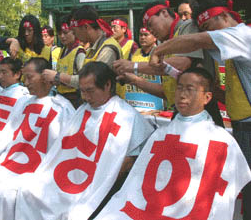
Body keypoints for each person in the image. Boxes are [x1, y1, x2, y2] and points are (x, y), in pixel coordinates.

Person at [0, 61, 155, 220]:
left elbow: (127, 163)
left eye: (90, 91)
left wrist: (100, 180)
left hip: (95, 185)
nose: (85, 97)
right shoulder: (83, 111)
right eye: (82, 91)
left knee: (73, 212)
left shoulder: (127, 117)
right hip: (68, 176)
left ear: (107, 85)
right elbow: (63, 148)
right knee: (29, 192)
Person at [95, 67, 251, 220]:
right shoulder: (160, 135)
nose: (182, 95)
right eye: (179, 88)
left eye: (190, 89)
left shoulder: (222, 140)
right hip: (154, 207)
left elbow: (231, 184)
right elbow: (138, 180)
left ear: (207, 97)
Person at [149, 0, 251, 219]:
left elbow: (197, 41)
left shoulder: (243, 35)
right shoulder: (235, 51)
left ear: (225, 17)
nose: (208, 36)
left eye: (208, 27)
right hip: (241, 127)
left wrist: (160, 50)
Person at [0, 57, 75, 220]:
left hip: (38, 166)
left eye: (30, 77)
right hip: (13, 159)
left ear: (45, 78)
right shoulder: (25, 102)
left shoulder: (63, 108)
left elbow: (64, 149)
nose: (26, 82)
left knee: (6, 193)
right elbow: (10, 133)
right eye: (25, 77)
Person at [45, 5, 126, 98]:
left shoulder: (107, 49)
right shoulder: (92, 48)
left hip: (109, 108)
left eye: (75, 31)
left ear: (86, 27)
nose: (75, 35)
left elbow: (91, 81)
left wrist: (58, 76)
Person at [43, 15, 86, 109]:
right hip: (61, 99)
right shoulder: (63, 50)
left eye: (65, 32)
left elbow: (84, 80)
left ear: (74, 31)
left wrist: (58, 77)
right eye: (59, 33)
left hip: (75, 101)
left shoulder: (79, 52)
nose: (62, 36)